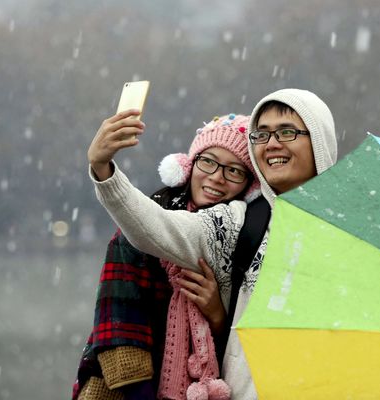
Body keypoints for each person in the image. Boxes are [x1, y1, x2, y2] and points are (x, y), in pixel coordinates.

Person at [91, 89, 338, 399]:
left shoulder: (354, 233)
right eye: (261, 134)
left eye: (287, 132)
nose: (272, 143)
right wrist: (105, 171)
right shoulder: (241, 221)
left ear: (319, 139)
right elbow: (155, 228)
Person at [73, 112, 260, 400]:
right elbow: (118, 324)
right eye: (208, 162)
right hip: (133, 388)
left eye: (234, 171)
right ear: (188, 164)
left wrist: (217, 314)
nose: (217, 178)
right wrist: (101, 166)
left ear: (249, 184)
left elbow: (245, 348)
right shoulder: (143, 224)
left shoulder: (247, 238)